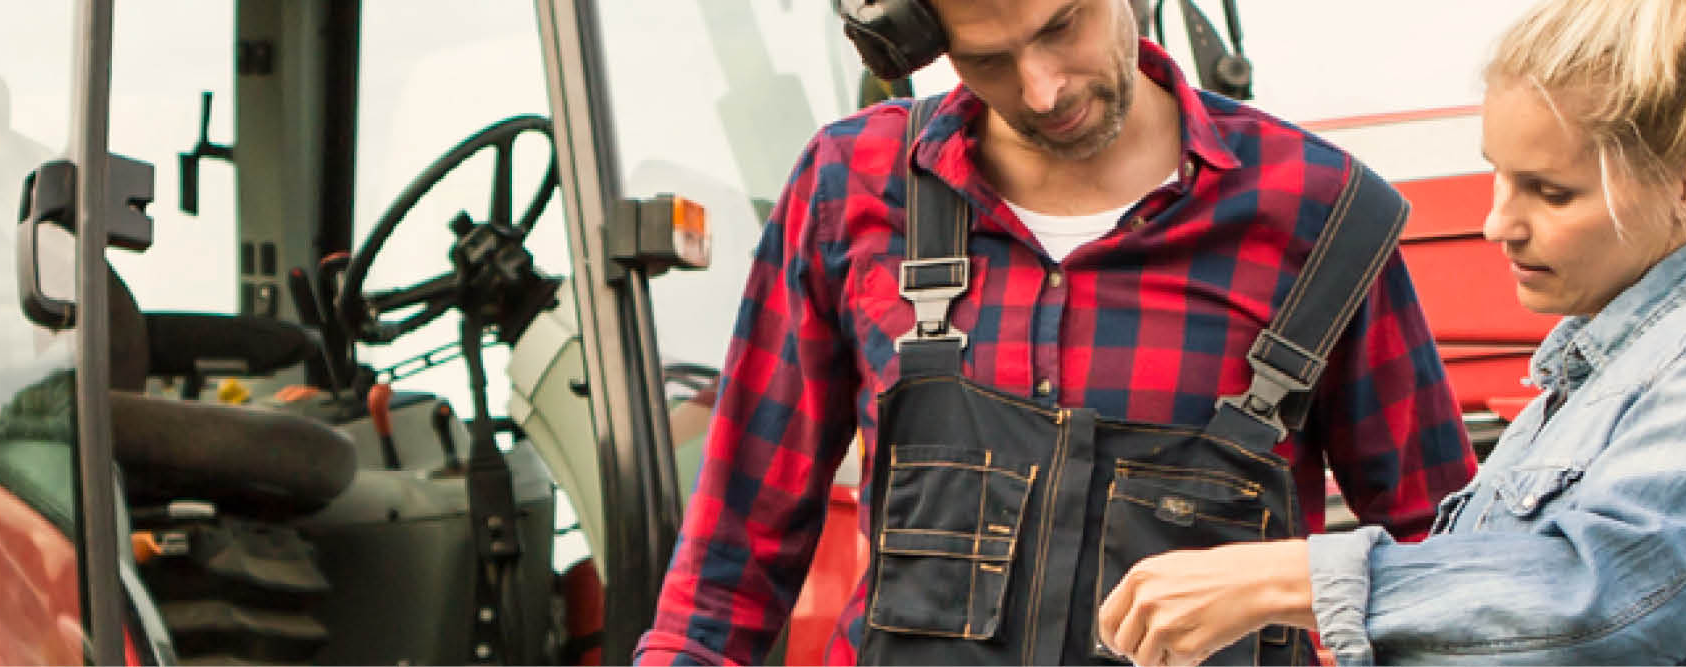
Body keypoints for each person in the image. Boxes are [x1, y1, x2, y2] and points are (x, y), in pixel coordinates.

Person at [632, 0, 1478, 664]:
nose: (1042, 89)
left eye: (1062, 25)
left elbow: (1455, 579)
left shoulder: (1322, 218)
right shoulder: (848, 190)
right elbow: (722, 578)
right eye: (989, 59)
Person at [1094, 0, 1686, 664]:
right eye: (1500, 175)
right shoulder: (1583, 391)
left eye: (1550, 193)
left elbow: (1590, 607)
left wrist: (1278, 580)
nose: (1500, 222)